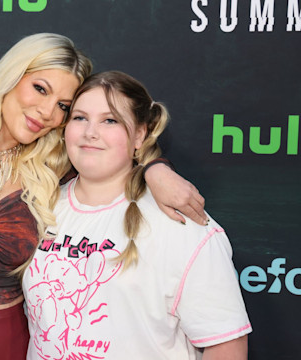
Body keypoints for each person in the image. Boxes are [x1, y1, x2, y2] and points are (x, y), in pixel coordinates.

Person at [0, 34, 207, 359]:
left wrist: (157, 169)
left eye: (63, 106)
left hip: (12, 341)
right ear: (12, 77)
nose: (46, 112)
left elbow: (116, 148)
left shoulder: (56, 165)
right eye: (40, 88)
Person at [22, 71, 252, 360]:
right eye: (80, 118)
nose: (90, 132)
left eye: (110, 120)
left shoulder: (181, 223)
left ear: (140, 134)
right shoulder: (39, 206)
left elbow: (226, 348)